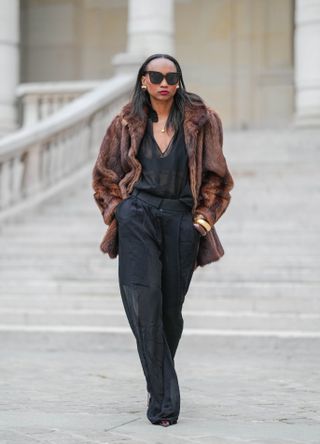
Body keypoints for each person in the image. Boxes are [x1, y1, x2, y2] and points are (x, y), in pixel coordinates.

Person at [92, 53, 234, 427]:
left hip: (181, 221)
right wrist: (119, 210)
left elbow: (217, 178)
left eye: (171, 76)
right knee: (144, 305)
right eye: (155, 76)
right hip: (137, 218)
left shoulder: (203, 121)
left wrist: (202, 221)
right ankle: (164, 402)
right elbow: (105, 175)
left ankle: (158, 382)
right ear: (143, 81)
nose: (164, 82)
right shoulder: (125, 122)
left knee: (169, 313)